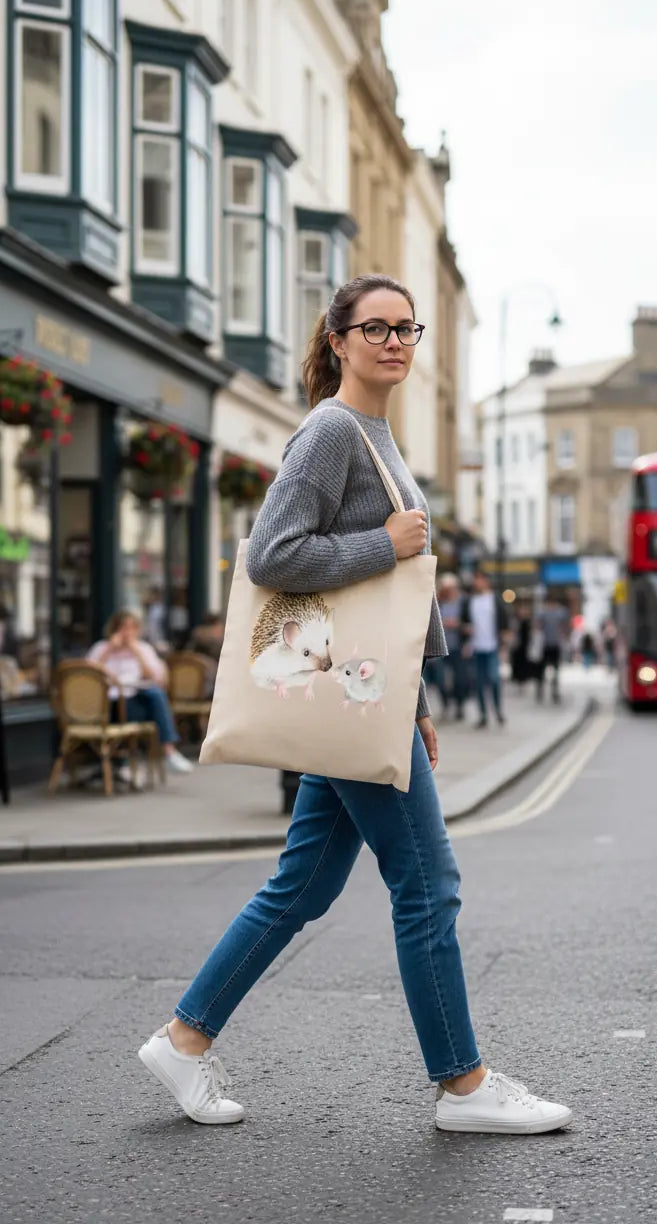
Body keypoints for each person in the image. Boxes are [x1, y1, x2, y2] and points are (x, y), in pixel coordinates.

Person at [137, 273, 571, 1135]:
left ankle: (184, 1039)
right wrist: (385, 540)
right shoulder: (334, 430)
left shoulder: (372, 432)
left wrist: (410, 698)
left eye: (407, 328)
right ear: (337, 340)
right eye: (376, 328)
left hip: (365, 698)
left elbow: (394, 599)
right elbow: (273, 557)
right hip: (348, 694)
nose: (396, 342)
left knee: (302, 885)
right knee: (428, 885)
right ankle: (463, 1086)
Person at [87, 610, 193, 775]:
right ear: (114, 629)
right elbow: (86, 675)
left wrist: (136, 653)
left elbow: (154, 678)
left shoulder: (143, 648)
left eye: (132, 628)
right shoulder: (101, 648)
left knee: (155, 693)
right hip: (104, 706)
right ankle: (167, 751)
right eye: (123, 627)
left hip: (134, 702)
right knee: (155, 698)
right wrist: (109, 650)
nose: (127, 632)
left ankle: (166, 752)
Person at [463, 572, 508, 728]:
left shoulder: (495, 600)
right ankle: (483, 715)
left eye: (480, 580)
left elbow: (504, 622)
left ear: (487, 582)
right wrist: (466, 632)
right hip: (476, 648)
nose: (477, 583)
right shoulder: (470, 601)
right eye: (476, 580)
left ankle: (498, 711)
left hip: (492, 647)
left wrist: (504, 645)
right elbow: (465, 621)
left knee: (495, 680)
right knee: (479, 683)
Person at [436, 573, 470, 720]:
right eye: (445, 588)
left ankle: (459, 706)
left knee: (460, 679)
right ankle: (445, 704)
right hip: (440, 648)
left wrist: (459, 625)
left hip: (458, 647)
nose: (448, 591)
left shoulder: (464, 603)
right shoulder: (438, 602)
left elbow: (470, 624)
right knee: (440, 679)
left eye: (451, 588)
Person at [534, 595, 570, 703]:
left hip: (552, 645)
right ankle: (547, 691)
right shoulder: (558, 613)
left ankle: (550, 692)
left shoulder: (544, 612)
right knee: (546, 670)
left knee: (551, 670)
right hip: (547, 645)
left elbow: (537, 626)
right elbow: (565, 626)